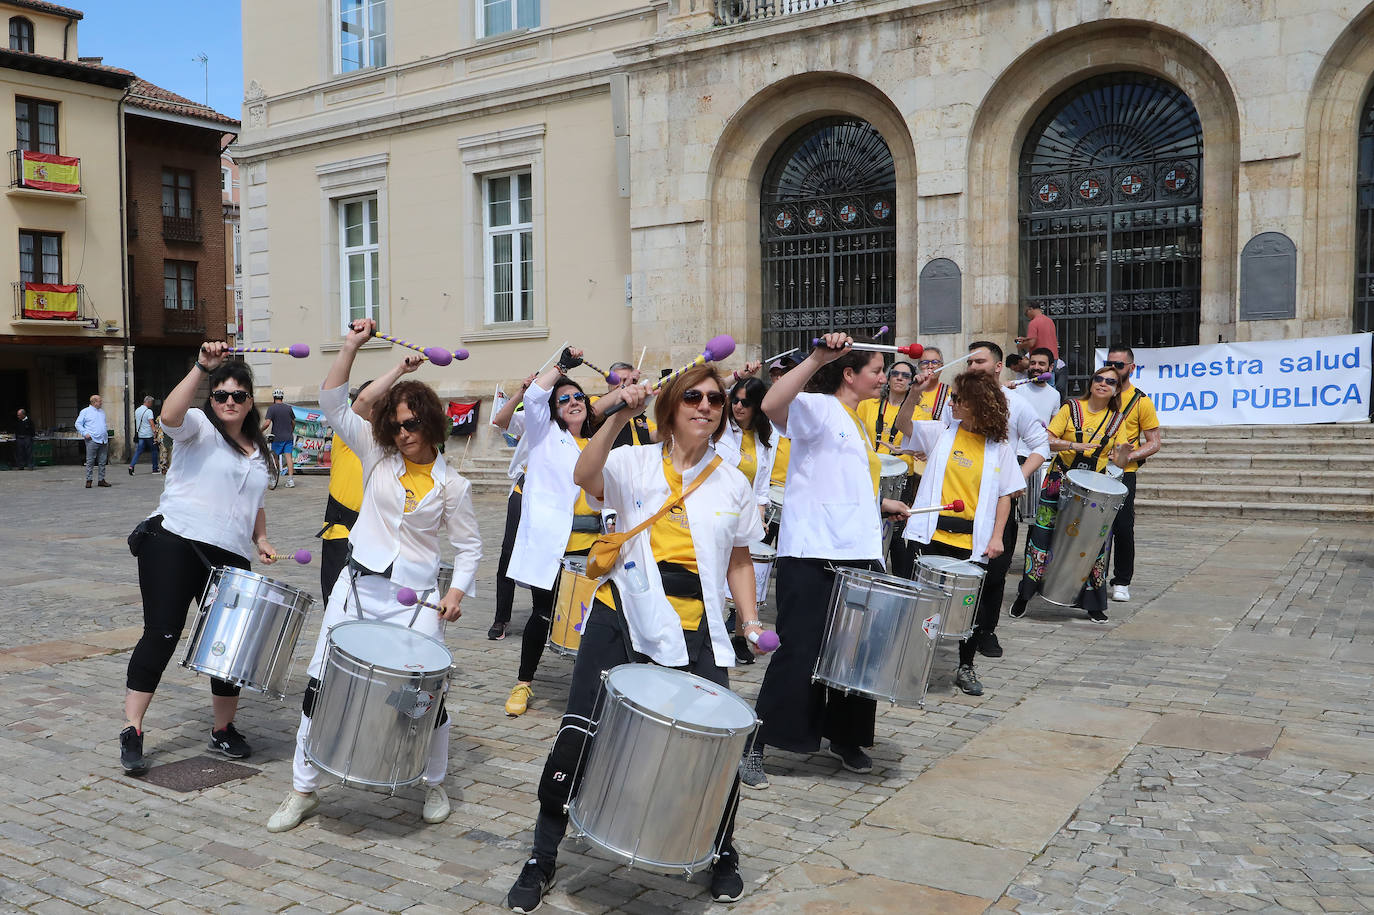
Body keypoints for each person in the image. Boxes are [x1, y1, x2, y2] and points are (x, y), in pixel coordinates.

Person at [504, 367, 765, 912]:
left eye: (716, 399)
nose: (707, 406)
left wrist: (749, 620)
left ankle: (722, 852)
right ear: (670, 408)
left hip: (697, 625)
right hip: (620, 612)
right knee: (580, 731)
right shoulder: (632, 460)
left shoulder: (734, 478)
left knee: (717, 746)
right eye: (693, 397)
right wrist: (619, 410)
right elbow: (585, 472)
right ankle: (542, 855)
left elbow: (739, 558)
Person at [268, 319, 481, 833]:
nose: (403, 434)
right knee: (320, 685)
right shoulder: (376, 456)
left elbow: (471, 547)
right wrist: (352, 346)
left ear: (432, 425)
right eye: (397, 425)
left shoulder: (454, 485)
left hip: (418, 600)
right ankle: (302, 790)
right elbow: (334, 402)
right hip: (357, 588)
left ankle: (432, 783)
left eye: (412, 425)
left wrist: (455, 593)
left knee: (424, 696)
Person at [745, 333, 913, 789]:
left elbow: (839, 485)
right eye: (877, 371)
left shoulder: (857, 423)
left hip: (859, 550)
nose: (884, 378)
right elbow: (772, 406)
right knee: (798, 651)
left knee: (858, 654)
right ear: (848, 374)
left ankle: (845, 737)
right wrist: (818, 355)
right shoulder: (817, 407)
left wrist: (883, 506)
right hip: (812, 554)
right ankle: (756, 744)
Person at [119, 343, 279, 776]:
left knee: (227, 646)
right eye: (221, 395)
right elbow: (168, 415)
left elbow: (254, 501)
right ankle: (132, 729)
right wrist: (201, 367)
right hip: (173, 540)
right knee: (164, 632)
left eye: (238, 396)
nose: (229, 402)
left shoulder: (258, 451)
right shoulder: (197, 427)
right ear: (211, 399)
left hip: (229, 553)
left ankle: (223, 728)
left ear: (250, 401)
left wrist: (260, 537)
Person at [503, 348, 628, 717]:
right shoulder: (543, 434)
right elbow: (532, 396)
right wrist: (560, 367)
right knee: (543, 613)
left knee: (599, 618)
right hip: (553, 545)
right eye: (563, 399)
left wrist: (628, 391)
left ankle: (597, 684)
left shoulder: (596, 443)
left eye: (578, 397)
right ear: (554, 409)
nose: (572, 401)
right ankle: (524, 682)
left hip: (593, 545)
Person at [923, 342, 1047, 687]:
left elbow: (1035, 454)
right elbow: (916, 430)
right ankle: (920, 659)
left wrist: (1010, 488)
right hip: (942, 525)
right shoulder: (950, 425)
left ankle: (974, 651)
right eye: (970, 360)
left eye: (979, 360)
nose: (973, 365)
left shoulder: (1007, 429)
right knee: (933, 596)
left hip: (984, 525)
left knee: (980, 592)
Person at [901, 371, 1025, 696]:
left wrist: (997, 537)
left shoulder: (998, 448)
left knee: (970, 608)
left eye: (957, 399)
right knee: (924, 605)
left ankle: (965, 665)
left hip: (973, 541)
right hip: (931, 536)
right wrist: (914, 393)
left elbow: (1005, 496)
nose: (951, 403)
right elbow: (904, 426)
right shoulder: (942, 431)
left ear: (975, 404)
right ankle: (913, 664)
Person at [1009, 369, 1131, 624]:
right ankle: (1025, 596)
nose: (1103, 384)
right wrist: (1074, 445)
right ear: (1091, 382)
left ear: (1117, 389)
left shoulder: (1118, 420)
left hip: (1095, 488)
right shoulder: (1072, 408)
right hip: (1059, 481)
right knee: (1041, 539)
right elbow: (1047, 440)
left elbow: (1119, 461)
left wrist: (1124, 453)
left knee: (1094, 546)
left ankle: (1092, 604)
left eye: (1111, 382)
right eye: (1099, 379)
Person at [1103, 345, 1161, 603]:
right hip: (1094, 470)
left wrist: (1129, 456)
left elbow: (1154, 442)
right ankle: (1090, 578)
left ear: (1131, 368)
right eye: (1109, 363)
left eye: (1119, 365)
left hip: (1123, 473)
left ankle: (1122, 580)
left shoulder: (1141, 401)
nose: (1113, 369)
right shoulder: (1100, 393)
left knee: (1123, 527)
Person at [856, 359, 920, 577]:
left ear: (912, 382)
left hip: (901, 479)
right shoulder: (867, 405)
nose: (900, 378)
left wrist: (906, 450)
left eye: (906, 376)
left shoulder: (919, 412)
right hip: (870, 475)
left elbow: (923, 449)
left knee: (898, 540)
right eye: (895, 374)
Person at [486, 372, 536, 641]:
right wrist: (520, 392)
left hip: (556, 496)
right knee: (508, 552)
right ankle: (500, 618)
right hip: (523, 488)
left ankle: (547, 613)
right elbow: (500, 420)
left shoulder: (572, 421)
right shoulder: (532, 417)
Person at [316, 380, 373, 605]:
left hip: (374, 538)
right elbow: (363, 402)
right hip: (341, 534)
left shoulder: (390, 445)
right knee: (338, 606)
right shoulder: (347, 435)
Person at [1012, 348, 1061, 427]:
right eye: (1033, 363)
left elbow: (1053, 429)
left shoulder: (1055, 395)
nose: (1036, 367)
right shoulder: (1015, 387)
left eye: (1041, 364)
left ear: (1051, 367)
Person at [263, 389, 297, 488]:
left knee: (274, 458)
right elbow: (293, 422)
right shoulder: (288, 408)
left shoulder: (271, 408)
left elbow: (267, 423)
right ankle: (290, 480)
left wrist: (259, 430)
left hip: (276, 437)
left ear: (274, 398)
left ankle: (274, 479)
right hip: (288, 436)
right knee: (289, 457)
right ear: (282, 398)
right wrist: (291, 430)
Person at [76, 394, 111, 488]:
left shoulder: (102, 412)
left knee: (102, 461)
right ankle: (89, 479)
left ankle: (101, 479)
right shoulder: (85, 412)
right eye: (100, 401)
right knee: (90, 460)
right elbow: (78, 424)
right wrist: (84, 433)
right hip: (92, 439)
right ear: (94, 402)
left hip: (103, 439)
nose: (101, 402)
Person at [129, 396, 159, 475]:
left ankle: (131, 466)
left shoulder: (137, 410)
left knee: (138, 451)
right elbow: (151, 423)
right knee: (154, 451)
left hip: (141, 435)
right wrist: (155, 433)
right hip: (149, 434)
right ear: (148, 402)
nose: (151, 405)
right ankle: (155, 469)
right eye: (151, 403)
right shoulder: (149, 411)